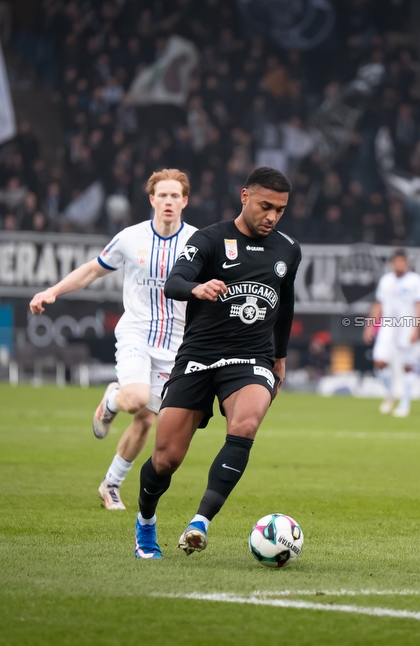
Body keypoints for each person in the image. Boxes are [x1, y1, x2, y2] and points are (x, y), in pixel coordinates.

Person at [132, 167, 301, 559]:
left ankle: (200, 522)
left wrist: (279, 357)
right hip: (199, 357)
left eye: (280, 210)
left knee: (246, 422)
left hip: (251, 359)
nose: (272, 216)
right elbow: (174, 283)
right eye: (265, 206)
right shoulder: (208, 239)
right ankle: (146, 522)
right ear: (245, 197)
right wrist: (197, 287)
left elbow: (287, 304)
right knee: (165, 459)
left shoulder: (288, 249)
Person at [29, 169, 197, 511]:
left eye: (174, 196)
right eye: (161, 195)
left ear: (185, 201)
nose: (168, 201)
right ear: (152, 200)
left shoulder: (198, 242)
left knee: (147, 420)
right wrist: (53, 291)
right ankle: (111, 401)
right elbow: (92, 269)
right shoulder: (129, 238)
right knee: (135, 399)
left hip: (174, 345)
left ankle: (111, 485)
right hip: (136, 333)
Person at [364, 249, 420, 418]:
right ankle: (391, 393)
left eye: (402, 262)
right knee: (379, 361)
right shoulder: (386, 281)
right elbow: (379, 304)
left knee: (407, 365)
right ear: (392, 263)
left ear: (407, 263)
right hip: (388, 326)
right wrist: (370, 325)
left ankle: (405, 403)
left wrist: (417, 329)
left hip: (406, 326)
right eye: (397, 262)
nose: (399, 265)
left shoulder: (415, 281)